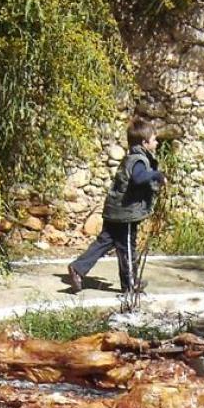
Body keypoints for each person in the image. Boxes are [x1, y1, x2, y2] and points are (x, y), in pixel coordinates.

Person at [68, 117, 165, 294]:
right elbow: (138, 178)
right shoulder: (139, 160)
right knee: (127, 248)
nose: (157, 142)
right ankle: (130, 284)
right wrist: (156, 175)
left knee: (104, 242)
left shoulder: (131, 157)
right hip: (125, 213)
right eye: (154, 140)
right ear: (144, 143)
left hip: (114, 209)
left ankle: (78, 268)